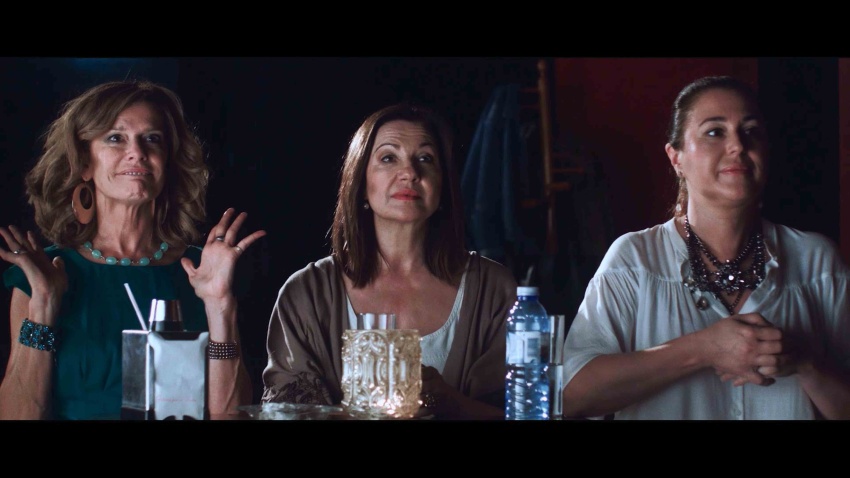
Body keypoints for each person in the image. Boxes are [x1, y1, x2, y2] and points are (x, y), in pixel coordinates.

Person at [561, 75, 850, 420]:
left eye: (751, 131)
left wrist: (806, 364)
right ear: (676, 158)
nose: (738, 146)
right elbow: (571, 396)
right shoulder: (634, 260)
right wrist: (703, 348)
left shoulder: (817, 262)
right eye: (715, 132)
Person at [0, 80, 266, 420]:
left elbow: (230, 415)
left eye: (152, 139)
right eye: (116, 138)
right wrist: (43, 305)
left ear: (167, 162)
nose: (137, 152)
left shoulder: (204, 271)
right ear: (84, 163)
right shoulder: (43, 274)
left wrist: (219, 306)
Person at [261, 102, 517, 419]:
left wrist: (451, 402)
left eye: (425, 158)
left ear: (443, 186)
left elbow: (527, 410)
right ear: (361, 184)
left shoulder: (493, 289)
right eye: (388, 158)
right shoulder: (306, 292)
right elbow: (286, 412)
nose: (409, 173)